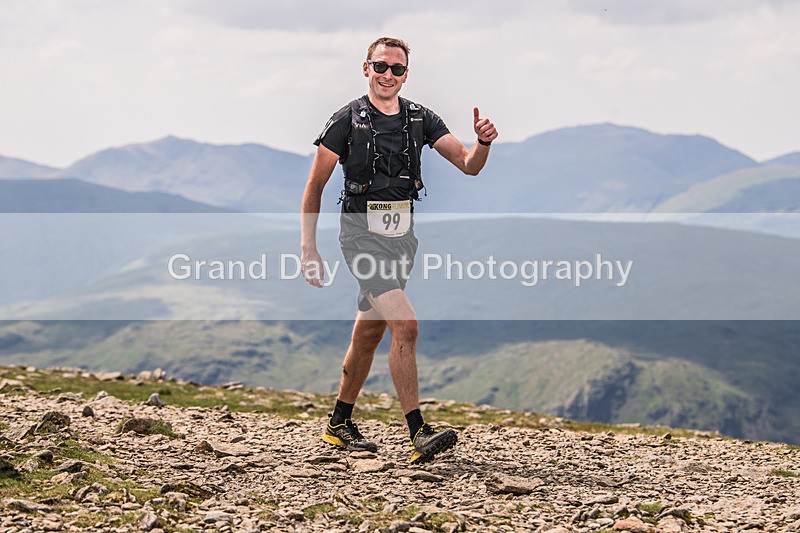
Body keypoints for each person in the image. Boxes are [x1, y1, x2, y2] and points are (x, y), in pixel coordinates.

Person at [300, 37, 497, 463]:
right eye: (381, 66)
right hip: (359, 235)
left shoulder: (420, 118)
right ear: (365, 68)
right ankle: (418, 432)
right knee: (405, 326)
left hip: (401, 238)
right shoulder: (346, 120)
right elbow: (314, 187)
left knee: (369, 332)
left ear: (407, 74)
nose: (389, 75)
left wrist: (482, 143)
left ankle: (338, 423)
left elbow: (467, 164)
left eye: (398, 69)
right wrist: (308, 248)